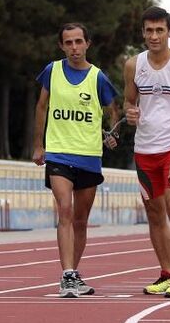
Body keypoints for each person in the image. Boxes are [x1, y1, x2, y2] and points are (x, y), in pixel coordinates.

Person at [33, 22, 119, 298]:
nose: (74, 48)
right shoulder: (52, 70)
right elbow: (42, 106)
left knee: (81, 219)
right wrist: (38, 145)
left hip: (89, 155)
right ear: (61, 46)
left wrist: (112, 133)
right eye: (68, 43)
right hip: (58, 152)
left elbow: (112, 111)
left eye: (78, 42)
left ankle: (74, 273)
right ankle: (67, 274)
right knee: (65, 211)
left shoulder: (98, 77)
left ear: (87, 44)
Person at [123, 6, 170, 298]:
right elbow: (131, 103)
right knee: (154, 213)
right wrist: (130, 114)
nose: (154, 36)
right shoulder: (133, 65)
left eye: (159, 30)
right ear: (142, 33)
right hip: (145, 149)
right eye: (149, 30)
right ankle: (166, 273)